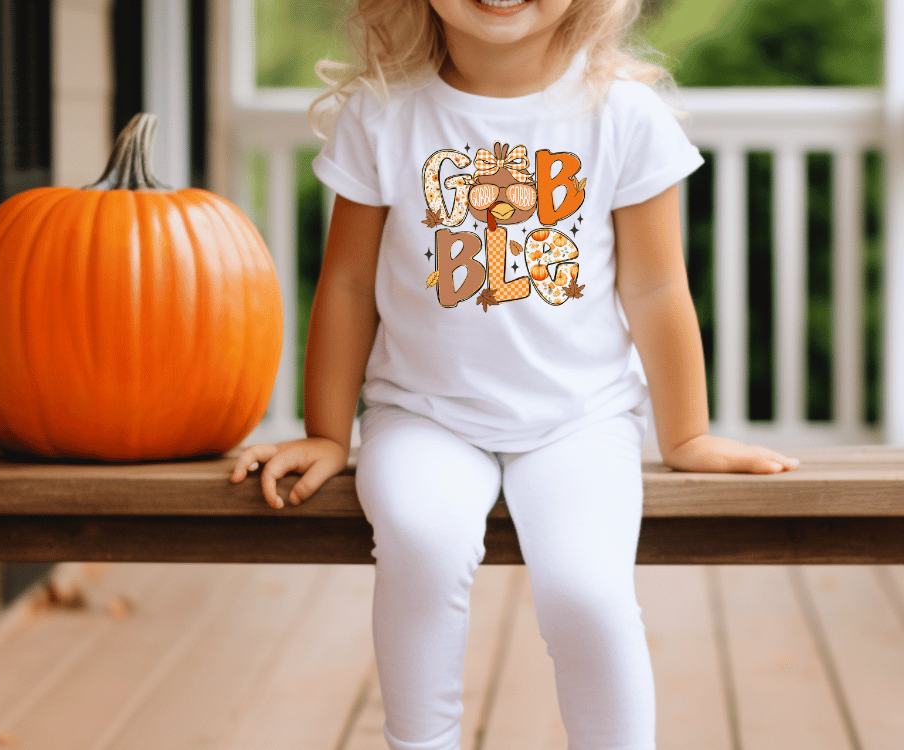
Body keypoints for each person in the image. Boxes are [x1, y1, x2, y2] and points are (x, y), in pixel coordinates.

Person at [230, 1, 800, 748]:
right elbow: (346, 286)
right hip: (424, 415)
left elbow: (658, 289)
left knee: (587, 590)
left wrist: (687, 434)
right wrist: (329, 436)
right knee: (420, 539)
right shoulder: (383, 115)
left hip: (580, 420)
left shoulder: (623, 114)